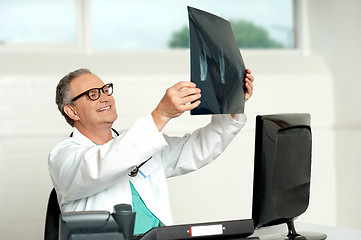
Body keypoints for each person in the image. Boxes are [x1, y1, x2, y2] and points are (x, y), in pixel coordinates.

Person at [49, 68, 254, 234]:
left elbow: (197, 149)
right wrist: (161, 114)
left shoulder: (140, 141)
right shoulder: (64, 156)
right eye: (93, 94)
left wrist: (233, 104)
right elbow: (101, 165)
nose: (104, 98)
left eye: (105, 90)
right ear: (72, 111)